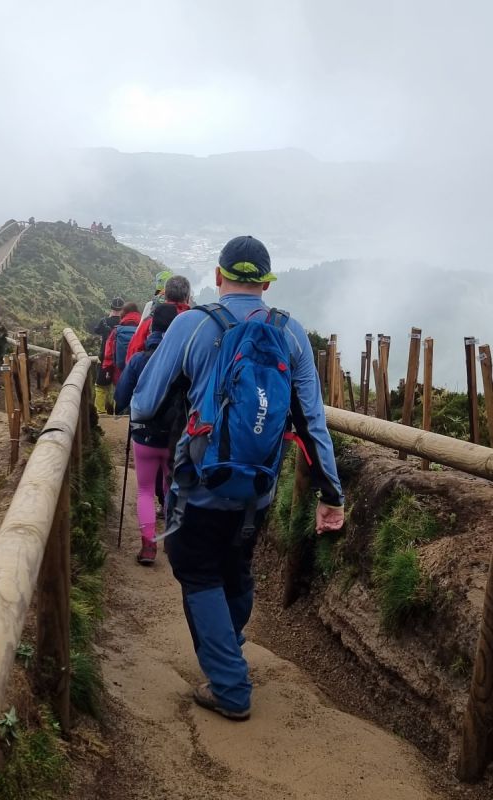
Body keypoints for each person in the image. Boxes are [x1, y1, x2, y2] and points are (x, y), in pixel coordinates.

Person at [130, 235, 344, 721]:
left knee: (196, 568)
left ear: (219, 276)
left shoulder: (191, 324)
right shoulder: (291, 333)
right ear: (266, 283)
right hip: (259, 488)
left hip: (199, 483)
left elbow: (142, 403)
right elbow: (312, 422)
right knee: (236, 564)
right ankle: (228, 643)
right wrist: (332, 493)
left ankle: (229, 687)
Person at [115, 303, 179, 565]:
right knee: (170, 486)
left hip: (144, 436)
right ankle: (171, 543)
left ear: (151, 328)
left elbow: (120, 398)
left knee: (144, 490)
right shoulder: (182, 362)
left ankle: (148, 547)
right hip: (174, 437)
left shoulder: (138, 360)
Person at [126, 275, 191, 362]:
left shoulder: (149, 322)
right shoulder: (195, 323)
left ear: (166, 296)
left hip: (151, 368)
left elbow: (132, 353)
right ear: (188, 298)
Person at [92, 297, 124, 414]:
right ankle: (117, 413)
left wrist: (108, 318)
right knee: (118, 387)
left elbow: (96, 330)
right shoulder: (124, 323)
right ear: (122, 309)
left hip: (105, 358)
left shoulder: (104, 321)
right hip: (120, 359)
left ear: (111, 308)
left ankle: (100, 412)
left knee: (101, 386)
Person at [102, 302, 141, 389]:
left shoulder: (116, 331)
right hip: (138, 373)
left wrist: (108, 369)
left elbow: (108, 353)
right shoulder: (143, 329)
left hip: (119, 372)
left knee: (120, 393)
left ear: (123, 314)